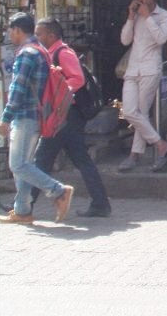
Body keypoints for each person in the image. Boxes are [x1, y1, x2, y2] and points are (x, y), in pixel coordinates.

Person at [30, 17, 112, 218]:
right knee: (79, 160)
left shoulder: (63, 53)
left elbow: (77, 79)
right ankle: (101, 204)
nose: (37, 37)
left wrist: (58, 95)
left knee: (40, 161)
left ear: (51, 35)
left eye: (40, 33)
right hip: (65, 115)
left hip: (66, 115)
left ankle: (24, 206)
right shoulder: (52, 53)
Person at [0, 12, 75, 224]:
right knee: (24, 163)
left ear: (17, 30)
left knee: (18, 165)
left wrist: (6, 118)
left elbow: (18, 88)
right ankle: (23, 211)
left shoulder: (26, 54)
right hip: (37, 115)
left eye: (10, 30)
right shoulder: (41, 51)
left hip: (24, 115)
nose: (9, 35)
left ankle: (58, 191)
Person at [118, 0, 167, 173]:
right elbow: (125, 40)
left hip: (151, 68)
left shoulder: (164, 16)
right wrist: (130, 17)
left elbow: (161, 39)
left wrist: (147, 17)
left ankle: (134, 155)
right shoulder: (135, 15)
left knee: (139, 113)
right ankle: (161, 145)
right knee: (130, 112)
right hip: (133, 68)